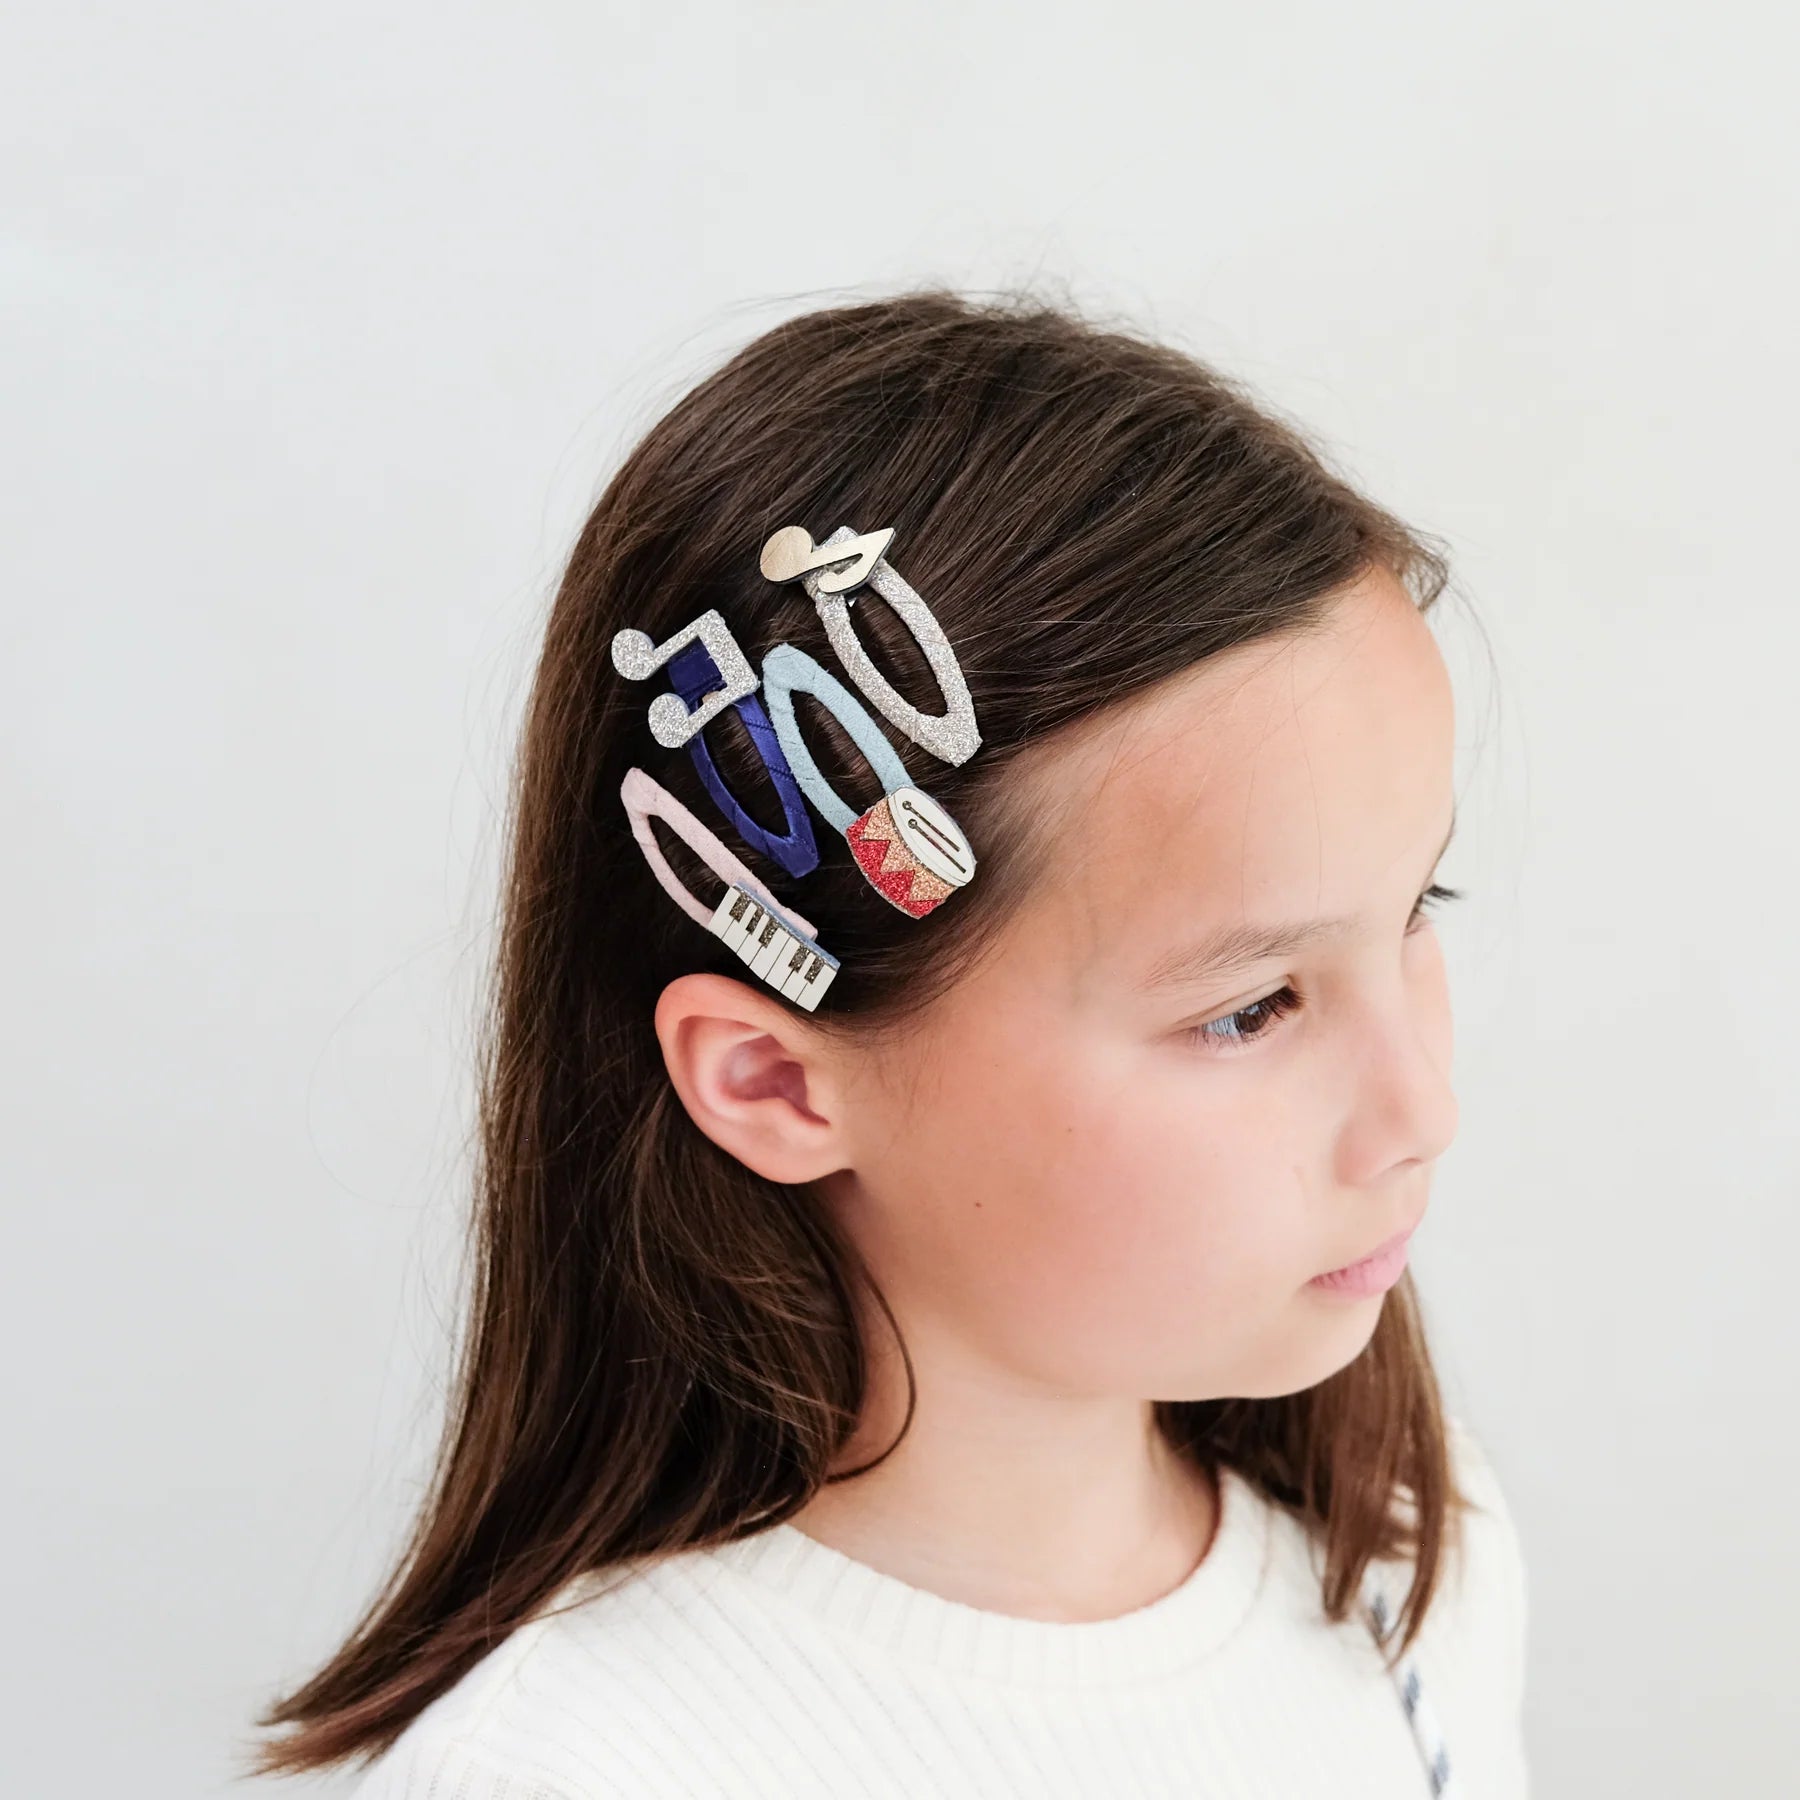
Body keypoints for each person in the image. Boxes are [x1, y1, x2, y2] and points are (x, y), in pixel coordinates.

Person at [249, 288, 1529, 1797]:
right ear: (775, 1080)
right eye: (1249, 1009)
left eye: (1415, 910)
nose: (1423, 1110)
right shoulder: (582, 1768)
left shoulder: (1405, 1565)